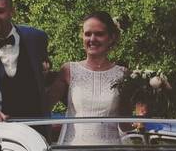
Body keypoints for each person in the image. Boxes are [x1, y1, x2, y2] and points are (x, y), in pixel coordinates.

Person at [47, 11, 128, 144]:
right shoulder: (69, 70)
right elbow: (43, 108)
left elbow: (125, 124)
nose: (92, 39)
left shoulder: (122, 74)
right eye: (88, 34)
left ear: (111, 37)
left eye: (99, 34)